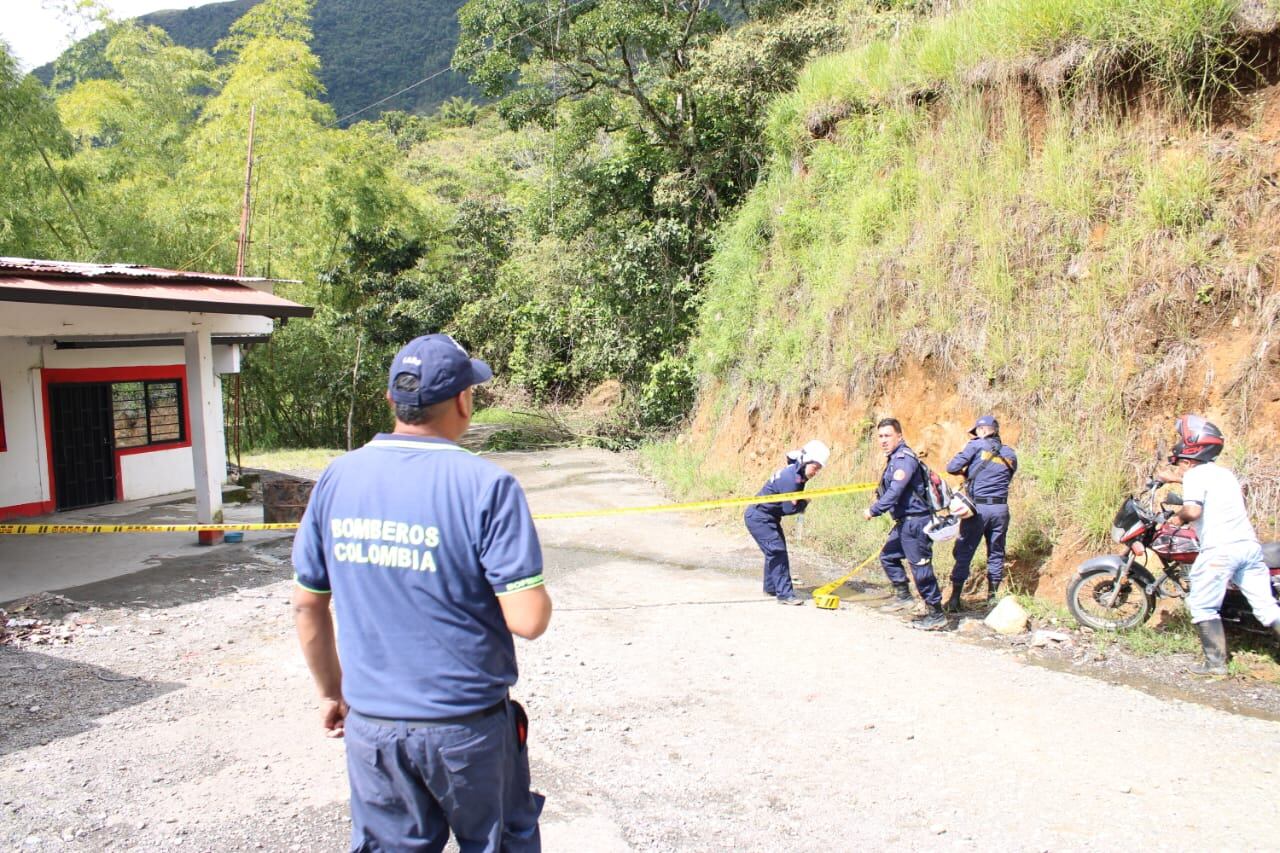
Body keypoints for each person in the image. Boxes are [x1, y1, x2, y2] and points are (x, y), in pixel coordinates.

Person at [291, 333, 553, 852]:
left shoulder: (336, 479)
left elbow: (307, 604)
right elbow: (529, 618)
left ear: (393, 400)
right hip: (467, 730)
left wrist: (332, 692)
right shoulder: (487, 486)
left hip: (373, 729)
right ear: (462, 400)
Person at [1158, 414, 1280, 676]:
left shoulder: (1195, 476)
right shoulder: (1224, 474)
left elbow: (1192, 510)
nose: (1181, 467)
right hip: (1248, 547)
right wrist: (1174, 480)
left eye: (1182, 462)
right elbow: (1207, 488)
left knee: (1201, 605)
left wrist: (1175, 522)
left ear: (1192, 453)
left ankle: (1215, 664)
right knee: (1267, 608)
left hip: (1220, 550)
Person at [863, 418, 946, 630]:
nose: (883, 440)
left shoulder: (903, 459)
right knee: (888, 556)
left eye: (887, 435)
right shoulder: (894, 459)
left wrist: (874, 510)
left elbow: (895, 491)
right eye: (880, 436)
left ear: (899, 435)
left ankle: (936, 613)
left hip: (916, 522)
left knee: (920, 567)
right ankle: (904, 597)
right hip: (904, 523)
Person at [944, 415, 1017, 612]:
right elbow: (1006, 477)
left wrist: (966, 473)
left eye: (977, 431)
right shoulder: (1010, 454)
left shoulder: (976, 446)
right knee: (996, 552)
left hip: (978, 510)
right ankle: (992, 599)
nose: (976, 435)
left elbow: (951, 467)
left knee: (964, 552)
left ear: (983, 430)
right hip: (1001, 509)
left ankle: (954, 600)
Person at [745, 440, 830, 605]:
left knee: (776, 551)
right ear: (807, 461)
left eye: (819, 468)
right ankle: (785, 595)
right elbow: (789, 509)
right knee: (777, 552)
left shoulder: (796, 471)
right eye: (815, 467)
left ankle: (772, 588)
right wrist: (804, 502)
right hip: (759, 518)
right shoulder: (792, 479)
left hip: (768, 517)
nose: (816, 472)